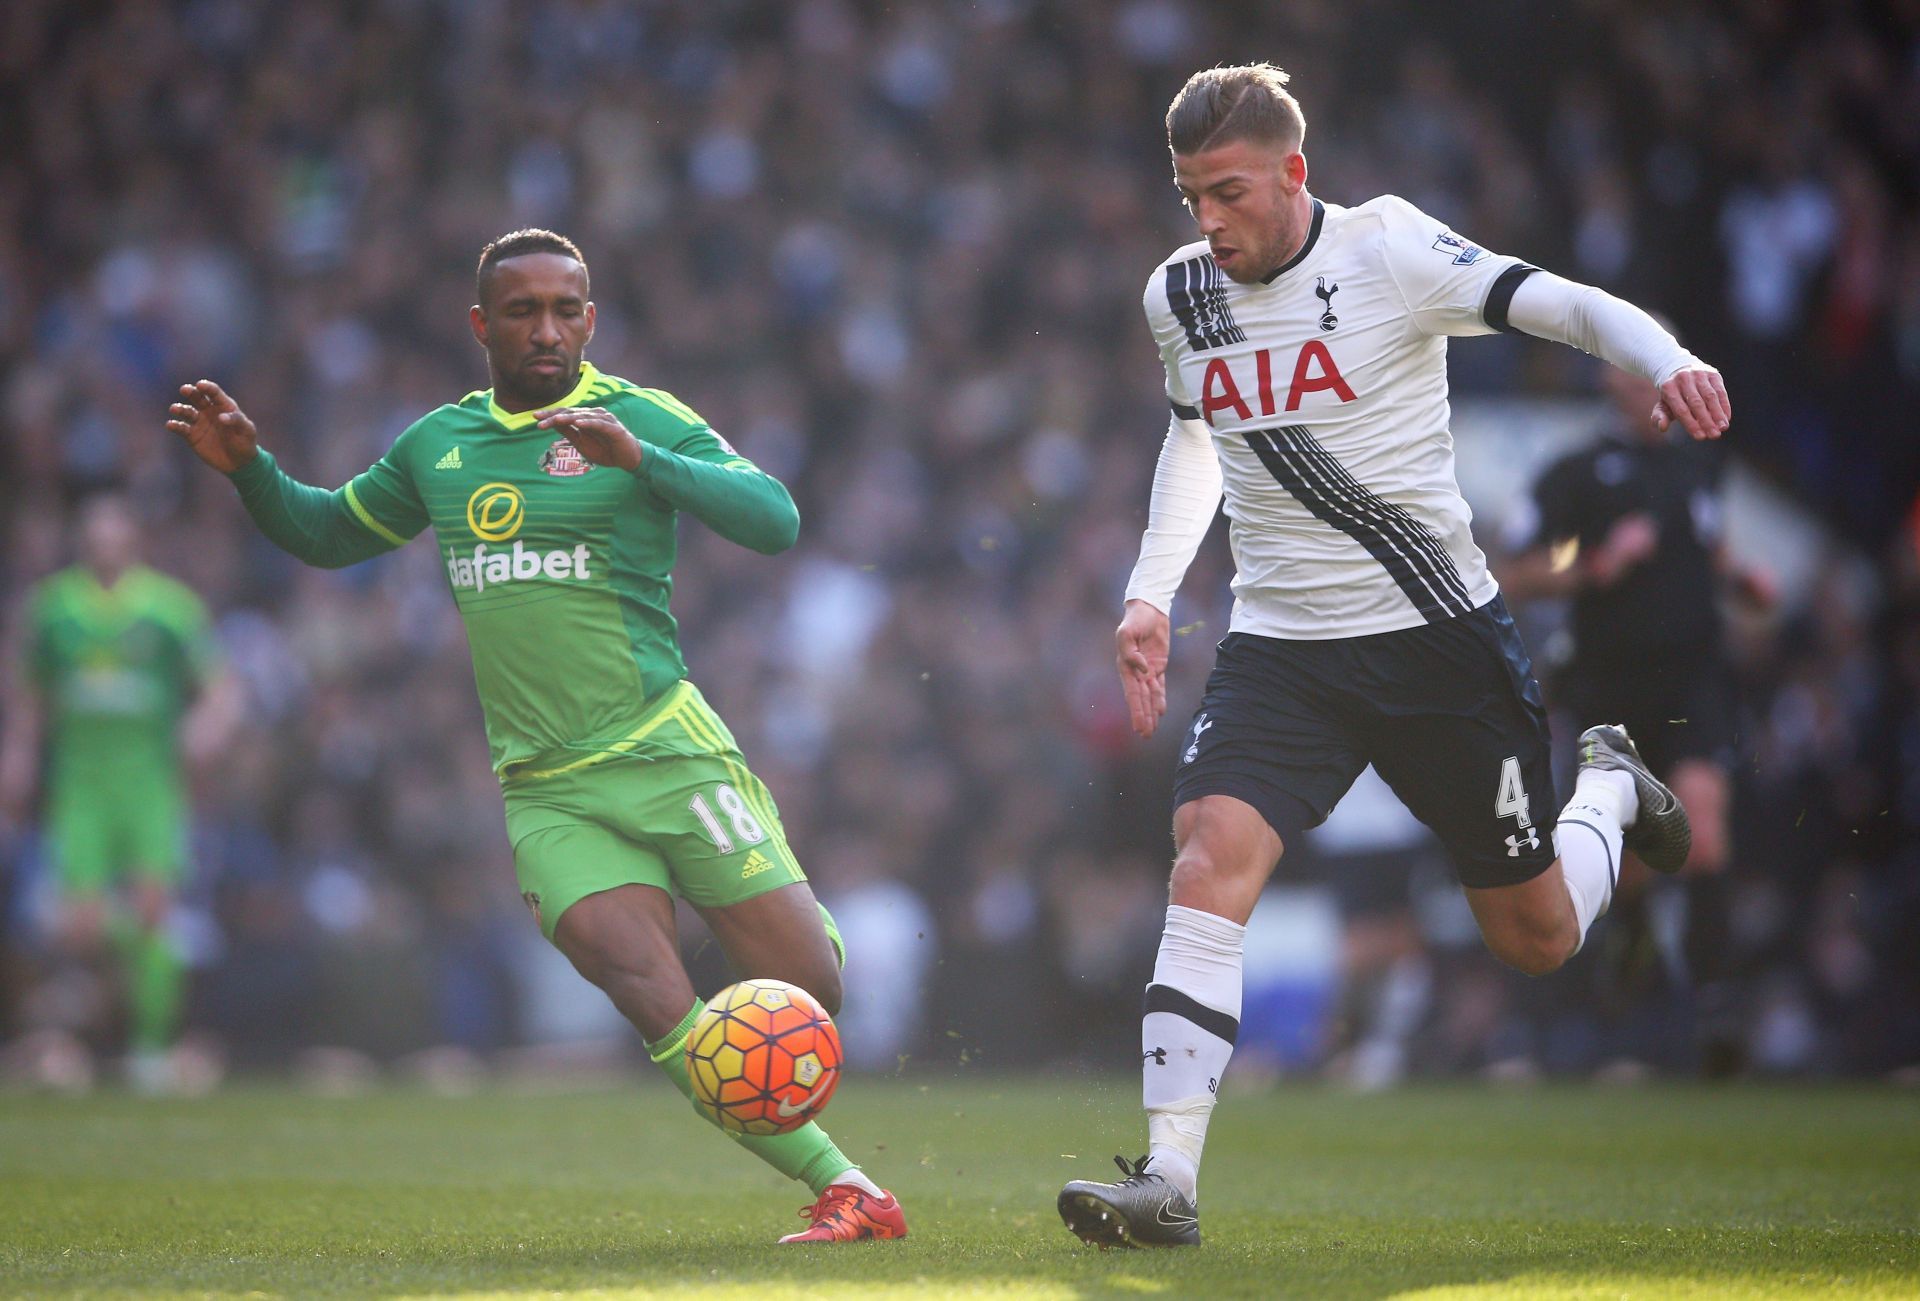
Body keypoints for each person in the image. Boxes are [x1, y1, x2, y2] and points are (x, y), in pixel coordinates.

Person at [1057, 65, 1729, 1248]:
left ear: (1293, 173)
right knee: (1207, 856)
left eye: (1228, 191)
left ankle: (1613, 786)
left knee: (1534, 939)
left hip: (1441, 645)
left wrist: (1662, 355)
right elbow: (1193, 435)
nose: (1207, 221)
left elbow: (1564, 303)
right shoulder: (1179, 296)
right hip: (1283, 650)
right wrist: (1149, 592)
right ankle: (1169, 1175)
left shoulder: (1390, 250)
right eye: (1188, 197)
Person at [165, 229, 906, 1244]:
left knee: (809, 990)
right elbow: (329, 532)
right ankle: (850, 1189)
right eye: (523, 311)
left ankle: (799, 941)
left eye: (567, 309)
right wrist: (252, 470)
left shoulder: (640, 415)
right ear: (483, 325)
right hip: (548, 785)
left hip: (667, 748)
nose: (547, 329)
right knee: (651, 990)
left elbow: (775, 517)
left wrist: (641, 460)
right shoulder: (438, 445)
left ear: (591, 320)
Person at [1500, 346, 1775, 1073]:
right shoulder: (1577, 473)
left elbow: (1709, 550)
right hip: (1608, 690)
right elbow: (1517, 569)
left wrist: (1744, 580)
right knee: (1635, 867)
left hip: (1694, 681)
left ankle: (1717, 1007)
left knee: (1705, 828)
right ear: (1613, 378)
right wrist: (1593, 564)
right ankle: (1631, 991)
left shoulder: (1698, 465)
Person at [0, 495, 238, 1091]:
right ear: (83, 542)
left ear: (133, 541)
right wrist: (19, 757)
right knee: (81, 923)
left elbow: (219, 689)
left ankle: (148, 1052)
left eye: (115, 535)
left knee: (155, 912)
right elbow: (30, 696)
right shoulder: (54, 607)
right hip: (80, 785)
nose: (105, 546)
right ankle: (82, 1024)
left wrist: (205, 729)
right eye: (95, 536)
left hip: (150, 783)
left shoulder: (168, 608)